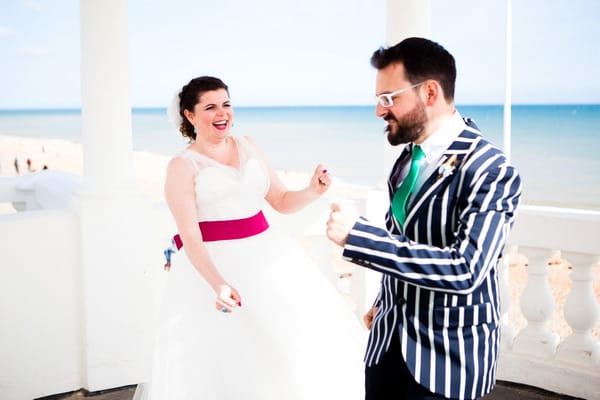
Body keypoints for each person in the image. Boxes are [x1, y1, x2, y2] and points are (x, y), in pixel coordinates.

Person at [135, 76, 365, 400]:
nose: (222, 113)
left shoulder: (249, 145)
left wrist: (313, 190)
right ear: (189, 115)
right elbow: (189, 235)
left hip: (270, 257)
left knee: (295, 347)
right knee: (229, 361)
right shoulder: (181, 166)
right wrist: (219, 284)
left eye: (226, 104)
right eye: (210, 107)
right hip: (216, 271)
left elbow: (282, 201)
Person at [326, 37, 522, 400]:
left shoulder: (490, 169)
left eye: (389, 98)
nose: (379, 111)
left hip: (447, 358)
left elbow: (465, 269)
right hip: (387, 344)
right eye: (378, 99)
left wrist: (360, 237)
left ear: (430, 92)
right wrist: (386, 303)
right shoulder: (406, 160)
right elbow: (411, 238)